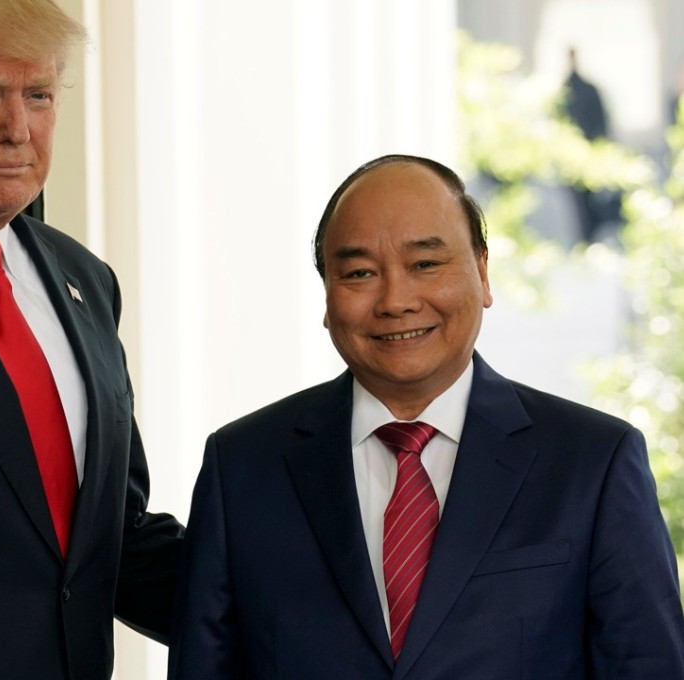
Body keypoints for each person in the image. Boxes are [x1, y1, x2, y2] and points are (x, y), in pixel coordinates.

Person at [168, 154, 684, 679]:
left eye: (425, 265)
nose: (396, 301)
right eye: (360, 273)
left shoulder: (594, 462)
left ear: (482, 272)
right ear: (327, 295)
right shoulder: (242, 467)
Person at [0, 1, 183, 677]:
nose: (17, 130)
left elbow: (112, 540)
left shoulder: (86, 280)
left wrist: (287, 603)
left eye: (39, 96)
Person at [562, 48, 619, 243]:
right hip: (574, 156)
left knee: (590, 200)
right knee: (581, 203)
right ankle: (586, 238)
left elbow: (600, 123)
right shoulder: (566, 90)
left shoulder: (583, 89)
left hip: (586, 154)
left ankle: (590, 237)